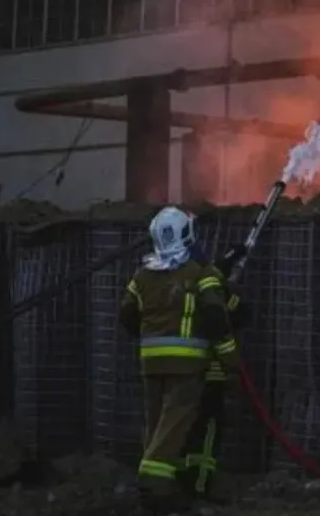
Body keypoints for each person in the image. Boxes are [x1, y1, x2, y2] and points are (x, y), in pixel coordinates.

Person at [117, 207, 240, 515]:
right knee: (175, 423)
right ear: (187, 234)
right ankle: (153, 483)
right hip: (187, 366)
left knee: (156, 423)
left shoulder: (142, 275)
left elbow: (127, 316)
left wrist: (152, 336)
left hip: (151, 364)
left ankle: (162, 484)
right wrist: (228, 354)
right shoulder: (200, 273)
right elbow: (215, 316)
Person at [179, 242, 249, 503]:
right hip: (207, 375)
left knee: (180, 431)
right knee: (207, 433)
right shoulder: (211, 290)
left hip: (173, 374)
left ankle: (176, 487)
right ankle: (198, 488)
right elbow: (239, 316)